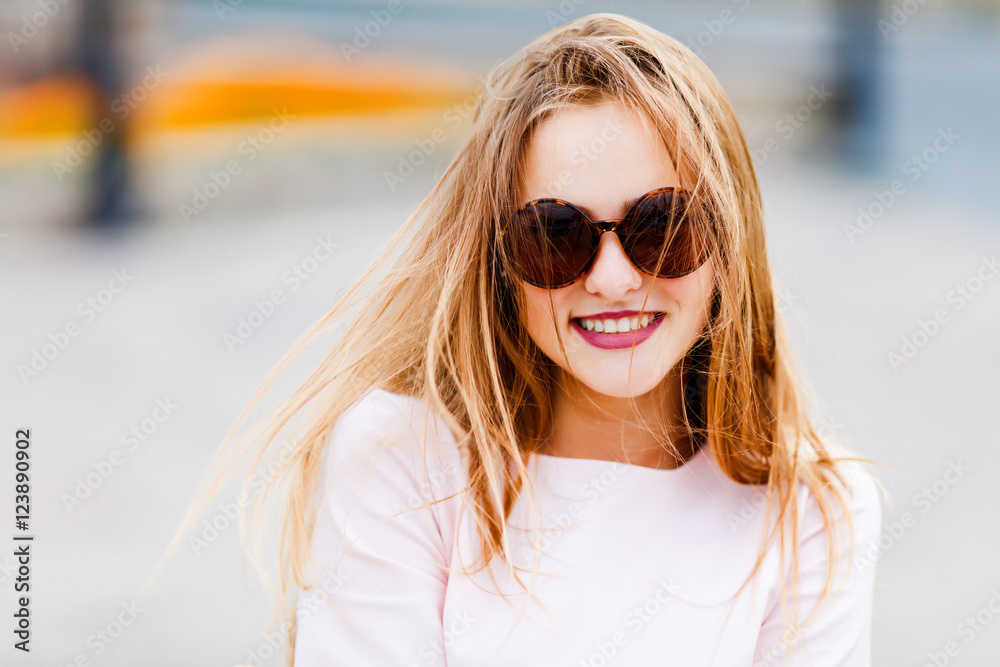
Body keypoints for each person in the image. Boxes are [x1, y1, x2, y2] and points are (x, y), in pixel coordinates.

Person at [174, 12, 883, 666]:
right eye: (555, 234)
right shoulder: (402, 461)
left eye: (661, 227)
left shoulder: (818, 512)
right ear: (499, 260)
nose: (611, 279)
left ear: (729, 244)